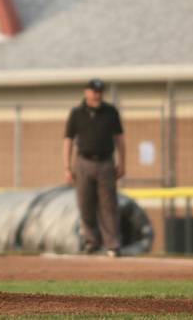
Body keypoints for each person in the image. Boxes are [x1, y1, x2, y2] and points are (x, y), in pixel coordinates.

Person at [62, 78, 126, 257]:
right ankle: (91, 242)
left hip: (106, 161)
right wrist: (67, 167)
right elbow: (68, 140)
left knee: (108, 205)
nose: (97, 94)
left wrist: (123, 162)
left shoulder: (110, 112)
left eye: (100, 91)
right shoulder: (76, 113)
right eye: (94, 91)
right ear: (86, 92)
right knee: (85, 204)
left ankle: (112, 244)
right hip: (83, 162)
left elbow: (120, 139)